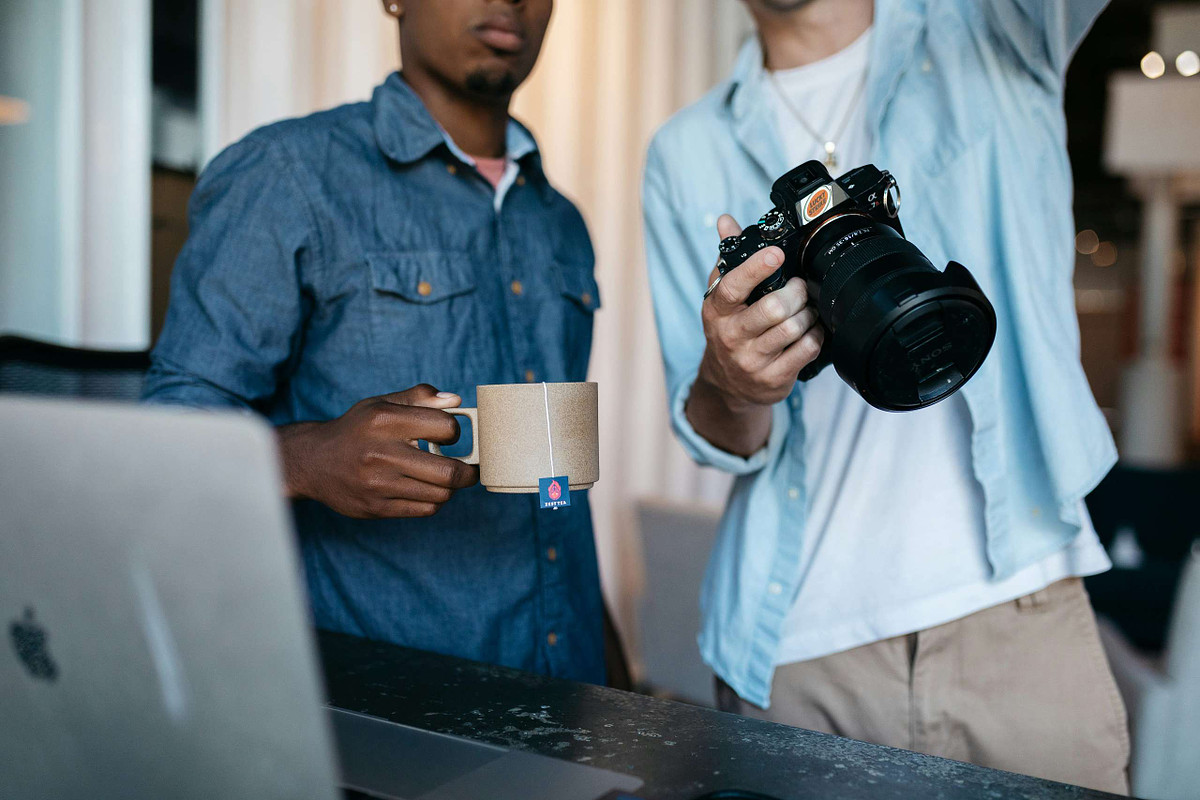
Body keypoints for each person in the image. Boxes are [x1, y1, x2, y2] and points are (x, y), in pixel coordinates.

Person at [643, 0, 1128, 791]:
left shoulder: (999, 29)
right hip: (796, 655)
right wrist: (733, 379)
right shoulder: (684, 150)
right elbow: (713, 430)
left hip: (1019, 615)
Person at [144, 0, 606, 684]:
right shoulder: (287, 175)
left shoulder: (559, 219)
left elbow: (560, 489)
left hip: (570, 683)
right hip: (383, 712)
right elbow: (163, 443)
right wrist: (305, 460)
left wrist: (605, 652)